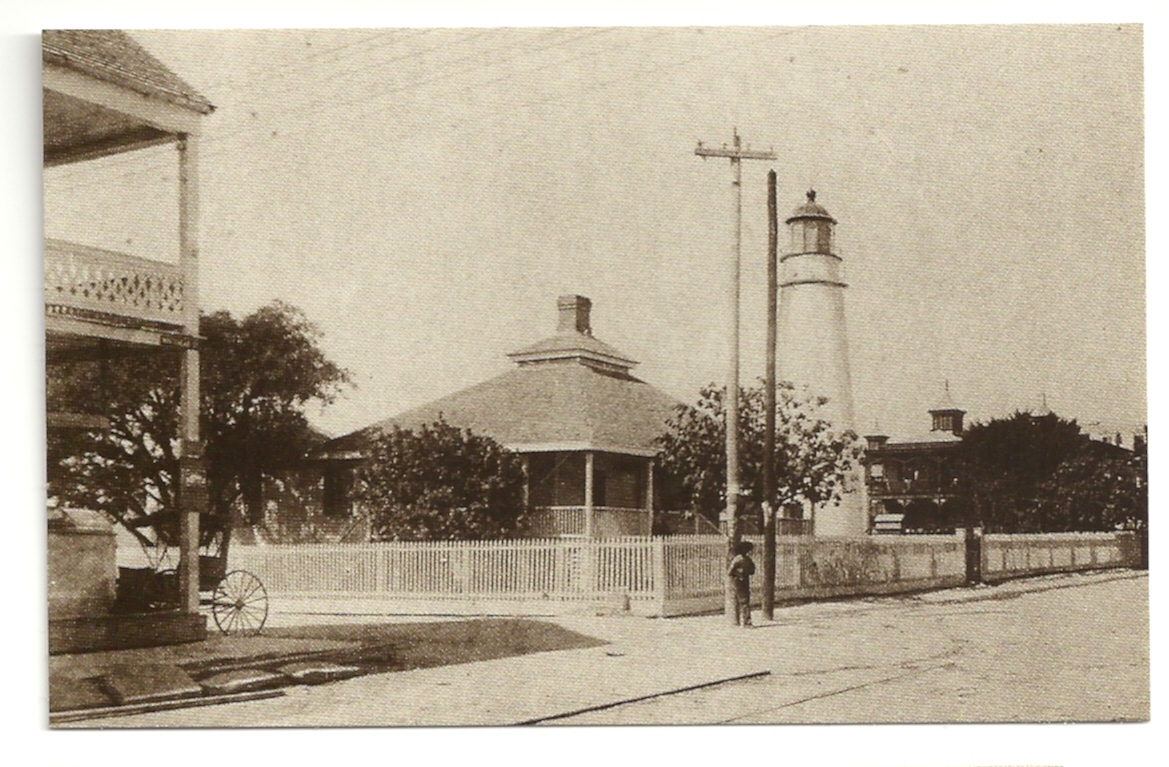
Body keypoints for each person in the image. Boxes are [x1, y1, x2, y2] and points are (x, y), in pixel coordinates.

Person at [728, 541, 756, 626]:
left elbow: (752, 570)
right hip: (741, 580)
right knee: (744, 601)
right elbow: (730, 571)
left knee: (744, 600)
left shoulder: (742, 559)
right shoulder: (741, 559)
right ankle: (746, 621)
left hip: (741, 580)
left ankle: (745, 620)